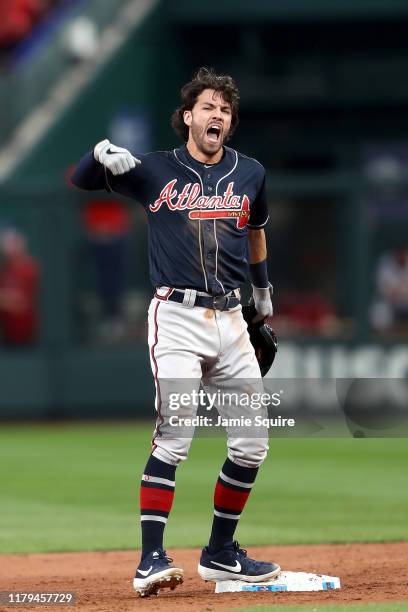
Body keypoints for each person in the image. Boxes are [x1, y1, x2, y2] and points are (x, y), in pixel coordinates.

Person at [71, 67, 280, 597]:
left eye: (225, 110)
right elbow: (79, 180)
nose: (218, 116)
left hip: (232, 319)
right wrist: (99, 156)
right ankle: (150, 559)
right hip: (177, 318)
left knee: (253, 443)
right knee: (176, 433)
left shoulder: (249, 173)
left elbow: (255, 232)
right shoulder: (155, 169)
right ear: (187, 116)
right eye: (208, 106)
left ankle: (221, 553)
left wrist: (261, 295)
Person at [0, 228, 39, 345]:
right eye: (6, 242)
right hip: (8, 337)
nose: (9, 246)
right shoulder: (4, 271)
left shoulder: (30, 269)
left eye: (13, 241)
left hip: (31, 337)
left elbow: (21, 303)